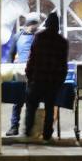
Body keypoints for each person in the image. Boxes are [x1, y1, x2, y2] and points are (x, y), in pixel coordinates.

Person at [23, 12, 68, 143]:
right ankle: (47, 135)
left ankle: (28, 131)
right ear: (57, 26)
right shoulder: (62, 42)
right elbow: (63, 64)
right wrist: (60, 80)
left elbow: (32, 58)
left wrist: (29, 75)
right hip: (52, 81)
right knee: (49, 108)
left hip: (37, 79)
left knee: (31, 106)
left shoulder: (39, 37)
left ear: (47, 24)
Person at [6, 13, 42, 137]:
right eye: (35, 25)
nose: (37, 27)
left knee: (32, 102)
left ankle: (30, 128)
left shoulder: (39, 37)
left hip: (35, 72)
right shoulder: (18, 36)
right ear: (29, 24)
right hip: (20, 71)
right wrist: (9, 69)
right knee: (17, 100)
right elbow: (11, 54)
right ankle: (14, 126)